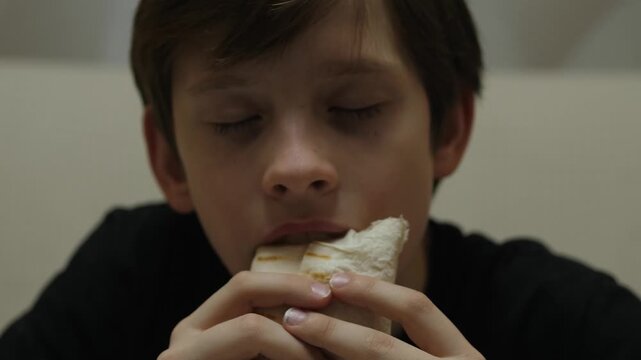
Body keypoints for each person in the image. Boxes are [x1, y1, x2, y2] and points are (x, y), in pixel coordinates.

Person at [1, 0, 640, 359]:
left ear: (446, 132)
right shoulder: (127, 280)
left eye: (355, 109)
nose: (296, 169)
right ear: (170, 163)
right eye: (236, 120)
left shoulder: (564, 321)